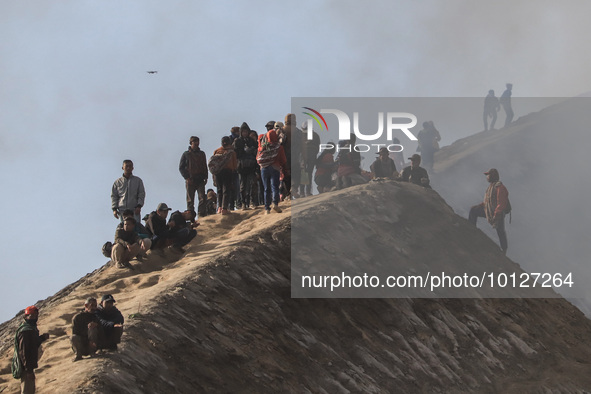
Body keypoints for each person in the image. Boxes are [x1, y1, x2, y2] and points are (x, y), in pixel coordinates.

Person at [468, 168, 509, 254]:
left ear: (492, 176)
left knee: (500, 231)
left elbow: (501, 203)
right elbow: (488, 201)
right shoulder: (491, 186)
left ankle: (504, 250)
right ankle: (471, 230)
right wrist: (480, 205)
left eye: (488, 175)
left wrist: (496, 214)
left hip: (497, 213)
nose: (487, 177)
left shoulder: (499, 187)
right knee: (473, 210)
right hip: (489, 211)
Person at [12, 305, 49, 394]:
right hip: (26, 367)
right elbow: (24, 351)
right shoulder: (25, 331)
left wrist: (42, 338)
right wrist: (29, 370)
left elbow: (33, 344)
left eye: (36, 316)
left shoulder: (31, 329)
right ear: (26, 317)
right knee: (27, 390)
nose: (34, 318)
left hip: (29, 366)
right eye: (31, 316)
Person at [257, 126, 287, 214]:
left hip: (264, 169)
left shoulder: (262, 148)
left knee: (266, 188)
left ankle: (267, 209)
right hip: (275, 168)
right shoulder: (279, 147)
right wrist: (283, 168)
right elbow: (283, 160)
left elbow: (257, 158)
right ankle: (275, 204)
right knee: (275, 187)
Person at [179, 136, 208, 218]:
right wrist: (187, 178)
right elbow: (181, 167)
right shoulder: (186, 154)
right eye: (194, 142)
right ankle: (190, 216)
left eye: (197, 142)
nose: (196, 144)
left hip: (200, 179)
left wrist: (206, 176)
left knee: (202, 198)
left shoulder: (202, 154)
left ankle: (201, 215)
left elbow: (204, 165)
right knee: (190, 200)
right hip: (190, 179)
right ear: (191, 143)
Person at [233, 123, 258, 210]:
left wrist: (252, 151)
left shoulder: (251, 141)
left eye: (246, 131)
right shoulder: (237, 141)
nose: (245, 133)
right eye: (243, 131)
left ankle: (252, 202)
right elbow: (235, 153)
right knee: (242, 186)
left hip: (251, 165)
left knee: (252, 184)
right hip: (241, 166)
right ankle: (243, 203)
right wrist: (244, 151)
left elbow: (256, 151)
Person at [213, 136, 238, 214]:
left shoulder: (217, 151)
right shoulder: (232, 152)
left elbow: (213, 164)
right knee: (226, 190)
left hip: (218, 172)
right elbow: (235, 165)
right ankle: (224, 208)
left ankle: (219, 208)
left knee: (219, 190)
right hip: (228, 172)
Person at [71, 297, 99, 362]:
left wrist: (97, 325)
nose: (94, 308)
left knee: (93, 329)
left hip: (93, 345)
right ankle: (78, 355)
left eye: (95, 306)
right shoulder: (78, 317)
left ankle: (92, 353)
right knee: (73, 337)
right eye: (92, 305)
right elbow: (75, 333)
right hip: (82, 345)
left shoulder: (97, 316)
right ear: (86, 306)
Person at [301, 121, 320, 197]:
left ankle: (303, 192)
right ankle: (307, 192)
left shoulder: (301, 136)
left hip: (304, 157)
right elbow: (318, 148)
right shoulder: (315, 135)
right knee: (308, 173)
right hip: (311, 157)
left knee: (304, 173)